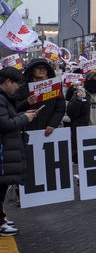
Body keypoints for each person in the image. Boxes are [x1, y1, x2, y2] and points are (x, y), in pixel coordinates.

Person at [0, 67, 37, 236]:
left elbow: (8, 118)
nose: (17, 88)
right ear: (8, 82)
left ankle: (1, 219)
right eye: (16, 84)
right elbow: (5, 124)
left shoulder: (4, 98)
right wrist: (25, 118)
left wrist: (23, 113)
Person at [14, 58, 66, 136]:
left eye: (44, 68)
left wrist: (53, 124)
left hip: (49, 132)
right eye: (38, 68)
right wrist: (27, 102)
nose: (42, 70)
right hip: (27, 132)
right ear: (32, 70)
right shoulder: (21, 88)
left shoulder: (55, 86)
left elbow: (60, 108)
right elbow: (14, 109)